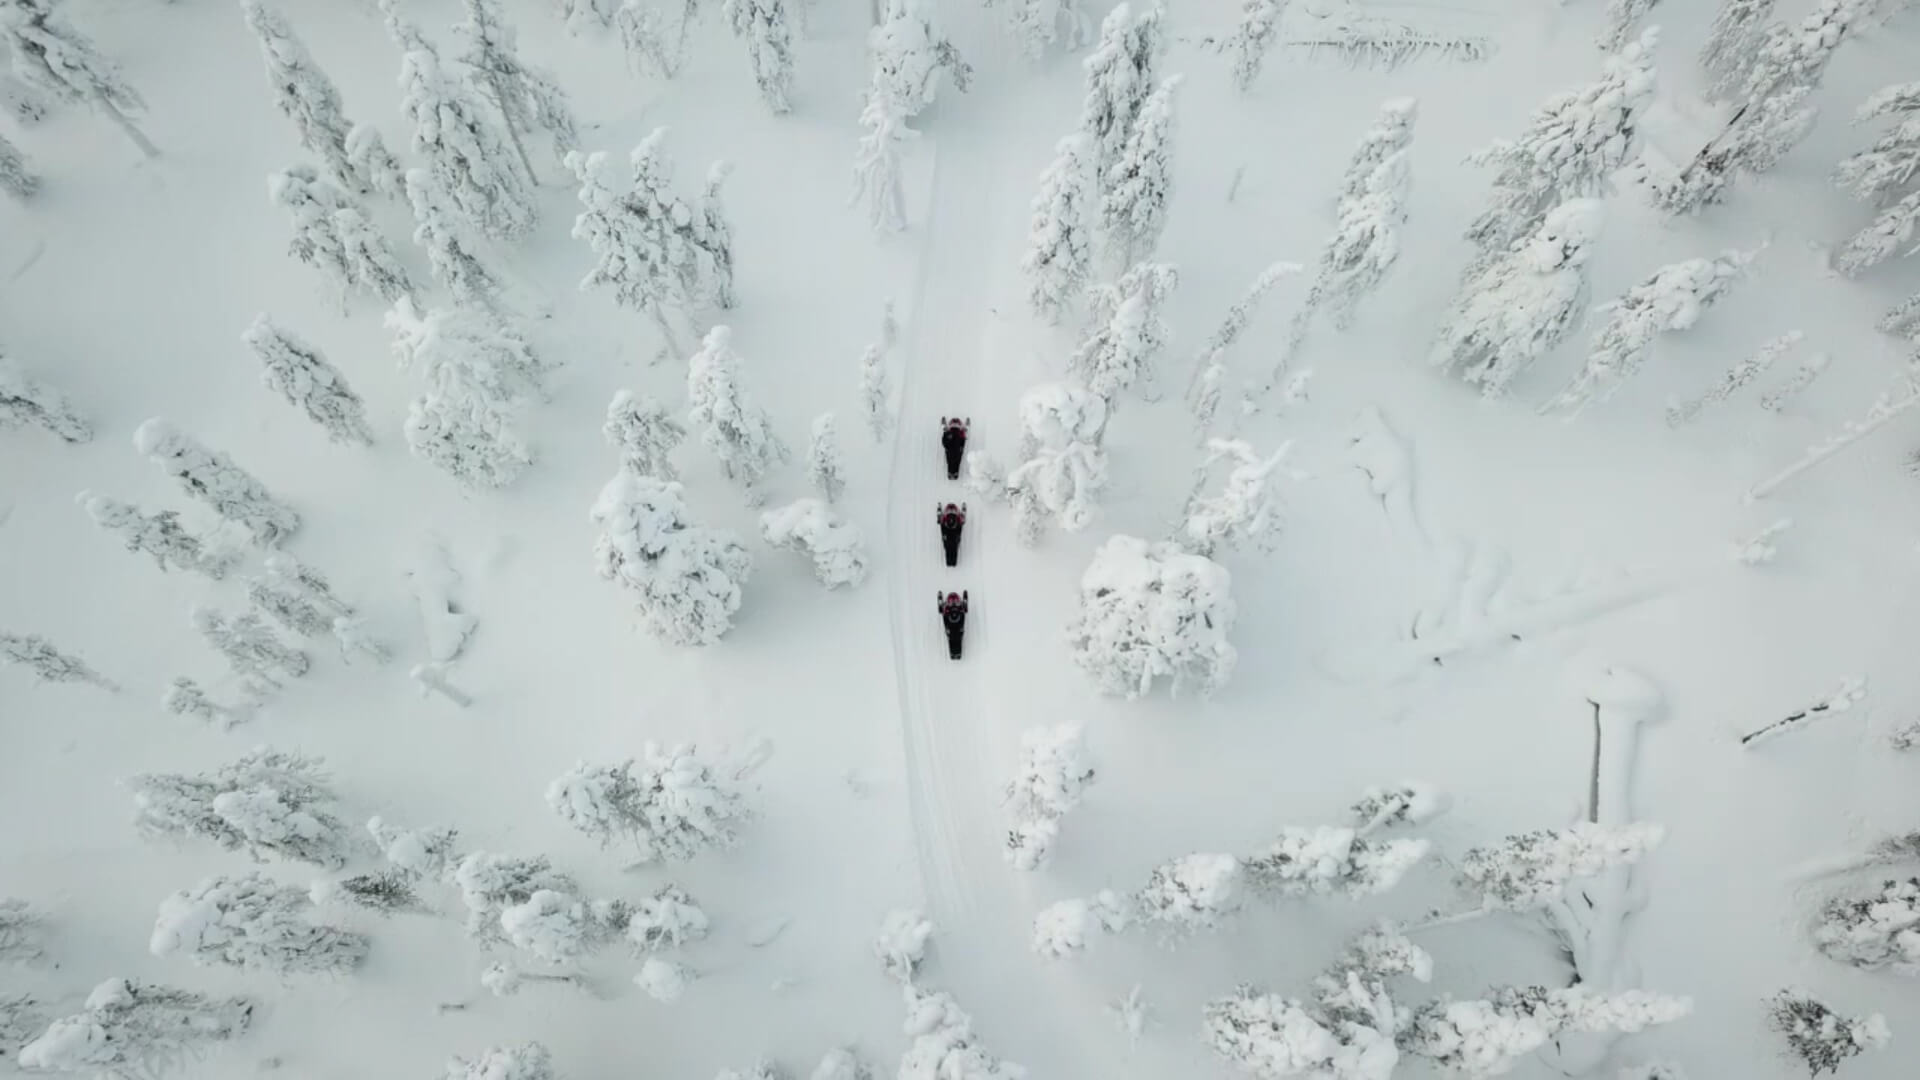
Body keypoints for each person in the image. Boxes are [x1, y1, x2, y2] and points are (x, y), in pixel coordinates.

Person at [937, 590, 968, 659]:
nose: (953, 604)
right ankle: (954, 654)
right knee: (953, 638)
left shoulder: (958, 609)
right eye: (951, 603)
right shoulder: (949, 610)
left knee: (955, 638)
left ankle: (956, 654)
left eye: (955, 602)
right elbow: (944, 615)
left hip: (956, 628)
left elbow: (963, 613)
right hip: (953, 629)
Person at [937, 502, 966, 567]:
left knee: (948, 546)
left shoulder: (946, 519)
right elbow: (961, 522)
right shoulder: (956, 519)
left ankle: (950, 562)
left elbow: (941, 522)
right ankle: (952, 562)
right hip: (954, 534)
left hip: (948, 533)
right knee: (953, 546)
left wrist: (939, 511)